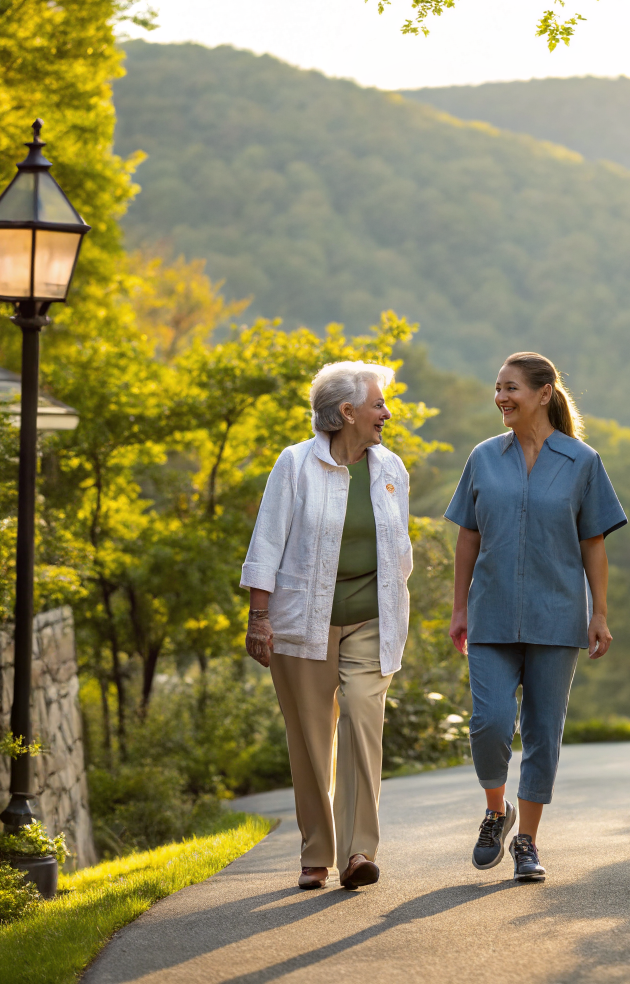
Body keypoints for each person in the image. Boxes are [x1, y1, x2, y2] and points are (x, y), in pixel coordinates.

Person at [445, 352, 627, 881]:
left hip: (557, 615)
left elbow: (593, 543)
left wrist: (600, 613)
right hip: (491, 613)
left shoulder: (582, 462)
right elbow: (467, 537)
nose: (501, 397)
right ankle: (494, 811)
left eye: (512, 388)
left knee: (543, 732)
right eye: (497, 387)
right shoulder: (483, 458)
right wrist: (459, 607)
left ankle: (526, 840)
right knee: (490, 723)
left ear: (543, 394)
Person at [241, 360, 413, 890]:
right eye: (378, 404)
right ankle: (316, 849)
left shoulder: (390, 469)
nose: (386, 413)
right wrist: (259, 618)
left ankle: (359, 852)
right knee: (311, 738)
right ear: (347, 412)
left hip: (370, 618)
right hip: (300, 624)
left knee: (363, 719)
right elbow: (266, 543)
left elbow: (397, 547)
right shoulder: (295, 465)